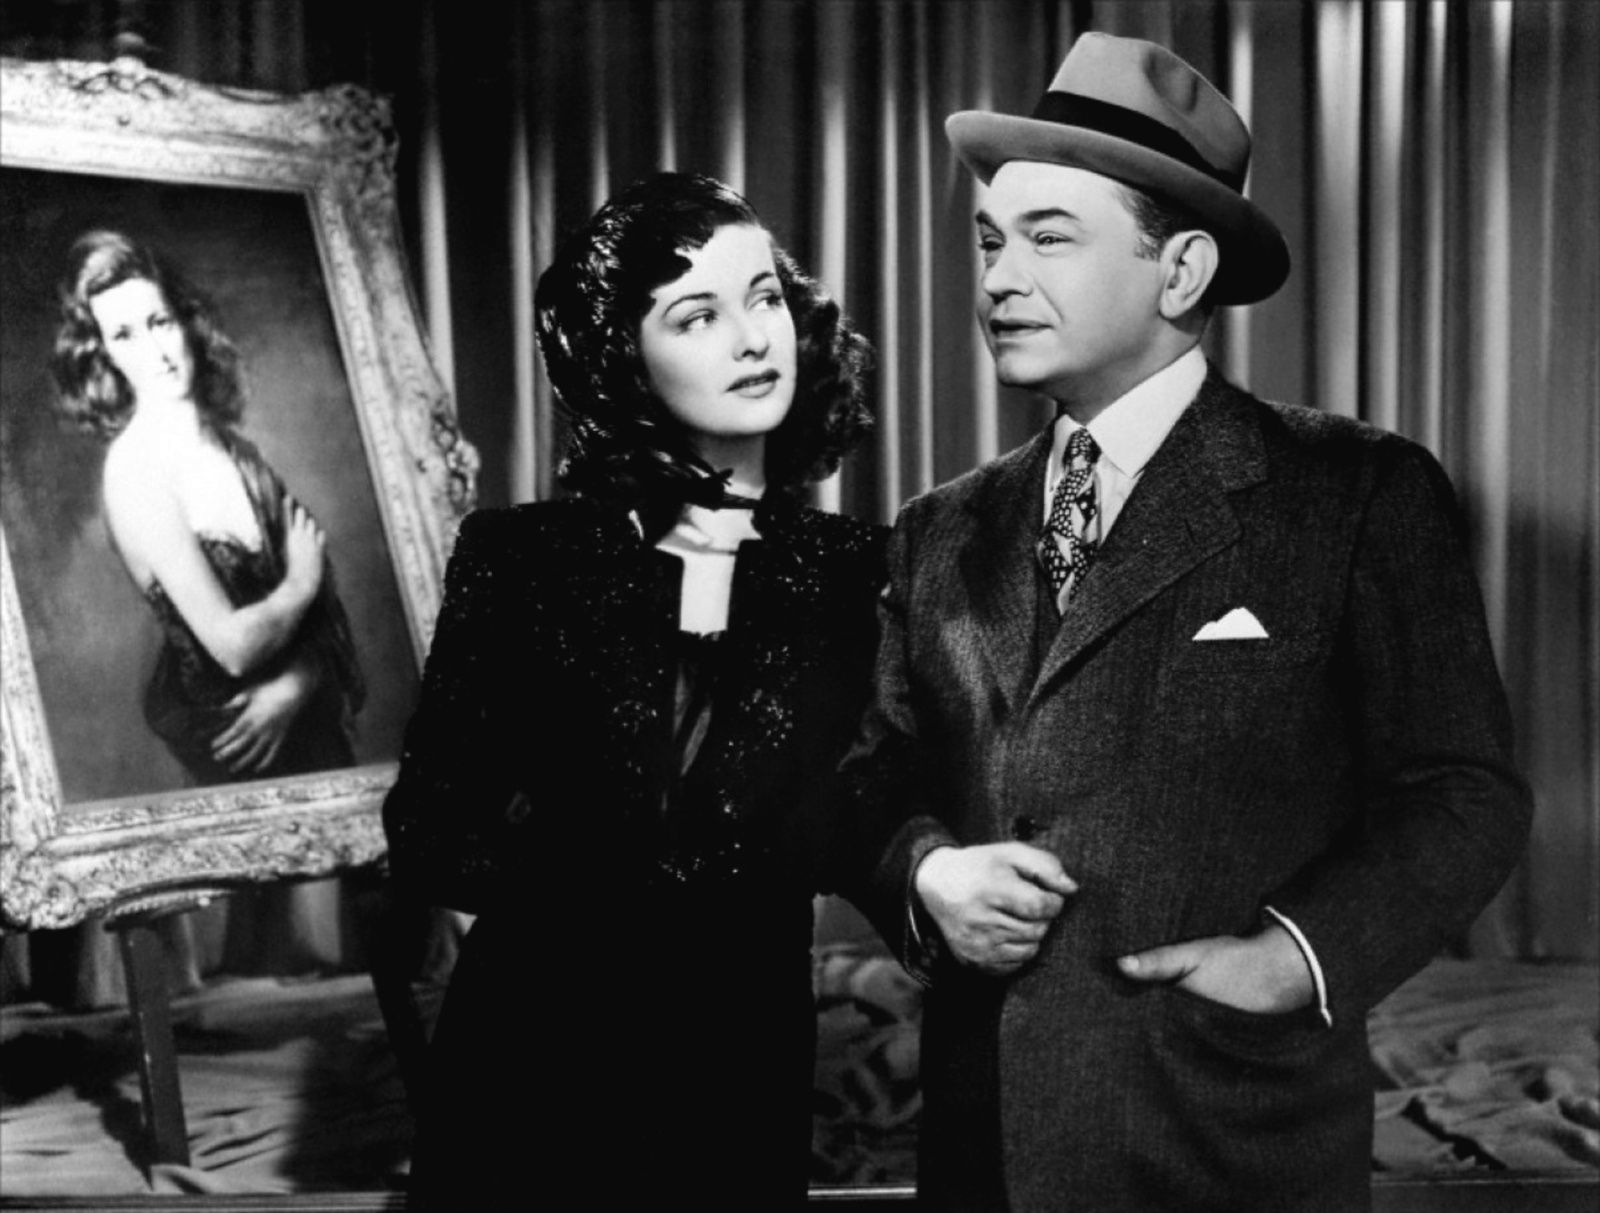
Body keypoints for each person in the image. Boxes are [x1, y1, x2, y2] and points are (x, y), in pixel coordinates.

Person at [838, 33, 1532, 1212]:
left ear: (1181, 271)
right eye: (990, 241)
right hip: (985, 1147)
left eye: (1049, 237)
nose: (998, 278)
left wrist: (1293, 960)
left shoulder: (1353, 493)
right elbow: (866, 773)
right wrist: (927, 872)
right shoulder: (936, 529)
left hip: (1224, 1134)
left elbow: (1463, 791)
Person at [382, 172, 883, 1209]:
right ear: (626, 360)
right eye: (697, 315)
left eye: (764, 296)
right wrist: (601, 891)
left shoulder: (854, 574)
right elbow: (429, 827)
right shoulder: (523, 559)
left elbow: (863, 813)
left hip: (738, 1068)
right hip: (530, 1059)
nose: (753, 337)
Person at [51, 229, 365, 786]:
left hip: (308, 730)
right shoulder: (135, 472)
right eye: (124, 335)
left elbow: (328, 615)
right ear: (105, 356)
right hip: (238, 751)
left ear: (185, 322)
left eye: (160, 322)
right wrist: (300, 582)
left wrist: (298, 682)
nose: (156, 352)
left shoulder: (238, 454)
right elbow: (235, 648)